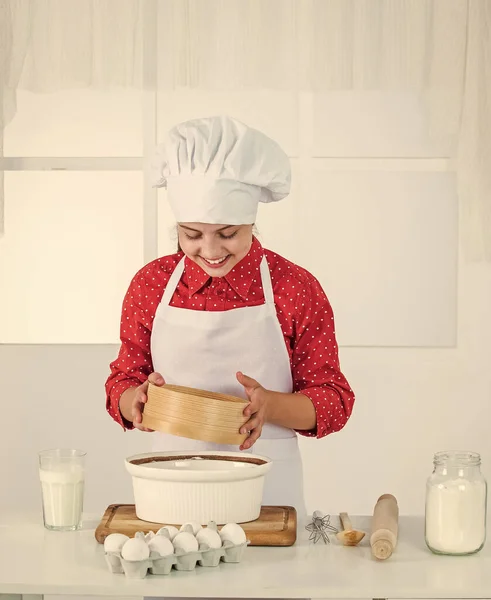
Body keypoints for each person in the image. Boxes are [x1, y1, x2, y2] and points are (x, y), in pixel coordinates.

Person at [105, 115, 355, 518]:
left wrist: (269, 407)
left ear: (252, 222)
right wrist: (136, 399)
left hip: (268, 494)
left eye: (227, 234)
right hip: (171, 487)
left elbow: (334, 400)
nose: (210, 250)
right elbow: (123, 379)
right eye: (191, 234)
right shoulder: (151, 284)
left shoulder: (294, 287)